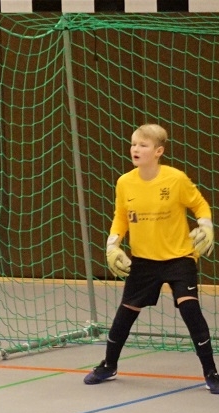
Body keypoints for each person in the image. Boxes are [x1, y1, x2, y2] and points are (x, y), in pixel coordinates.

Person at [86, 123, 219, 392]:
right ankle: (109, 365)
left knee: (190, 309)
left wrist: (205, 225)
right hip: (144, 261)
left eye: (143, 145)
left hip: (179, 257)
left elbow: (199, 204)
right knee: (126, 313)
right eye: (134, 144)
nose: (135, 149)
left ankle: (211, 372)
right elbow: (121, 217)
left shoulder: (175, 179)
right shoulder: (125, 182)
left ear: (158, 151)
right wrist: (112, 245)